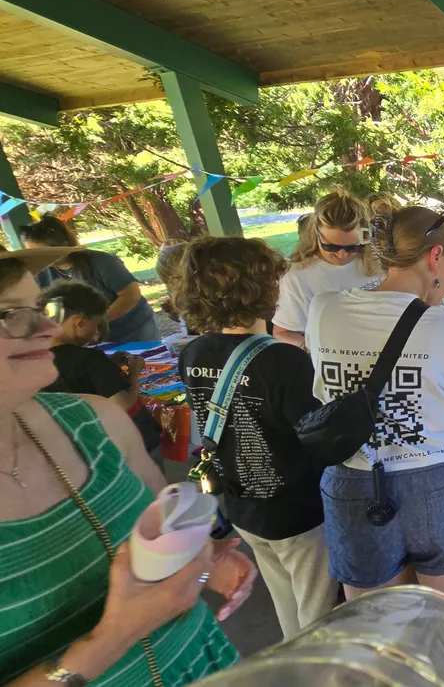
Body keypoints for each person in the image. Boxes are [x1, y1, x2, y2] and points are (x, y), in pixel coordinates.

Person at [0, 245, 255, 687]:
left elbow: (162, 525)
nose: (46, 328)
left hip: (204, 666)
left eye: (41, 307)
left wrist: (202, 560)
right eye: (8, 314)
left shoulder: (94, 418)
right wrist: (116, 635)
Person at [305, 205, 444, 608]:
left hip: (354, 481)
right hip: (442, 486)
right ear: (434, 256)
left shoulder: (323, 309)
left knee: (374, 628)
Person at [176, 236, 338, 640]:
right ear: (267, 287)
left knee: (285, 598)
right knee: (318, 613)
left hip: (240, 503)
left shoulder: (193, 353)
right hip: (297, 509)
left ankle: (295, 666)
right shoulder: (283, 360)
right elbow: (315, 434)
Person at [39, 281, 164, 460]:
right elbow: (122, 404)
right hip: (128, 443)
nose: (97, 333)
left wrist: (109, 365)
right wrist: (134, 374)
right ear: (80, 322)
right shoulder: (89, 359)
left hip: (86, 449)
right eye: (96, 324)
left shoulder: (38, 362)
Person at [19, 216, 160, 343]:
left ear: (61, 245)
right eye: (31, 252)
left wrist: (98, 322)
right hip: (89, 336)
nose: (37, 257)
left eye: (41, 251)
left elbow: (131, 294)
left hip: (133, 329)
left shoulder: (102, 261)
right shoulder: (40, 274)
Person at [273, 191, 382, 348]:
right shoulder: (298, 276)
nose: (341, 254)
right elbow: (283, 333)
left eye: (353, 247)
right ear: (316, 231)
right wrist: (313, 348)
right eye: (331, 246)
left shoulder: (378, 264)